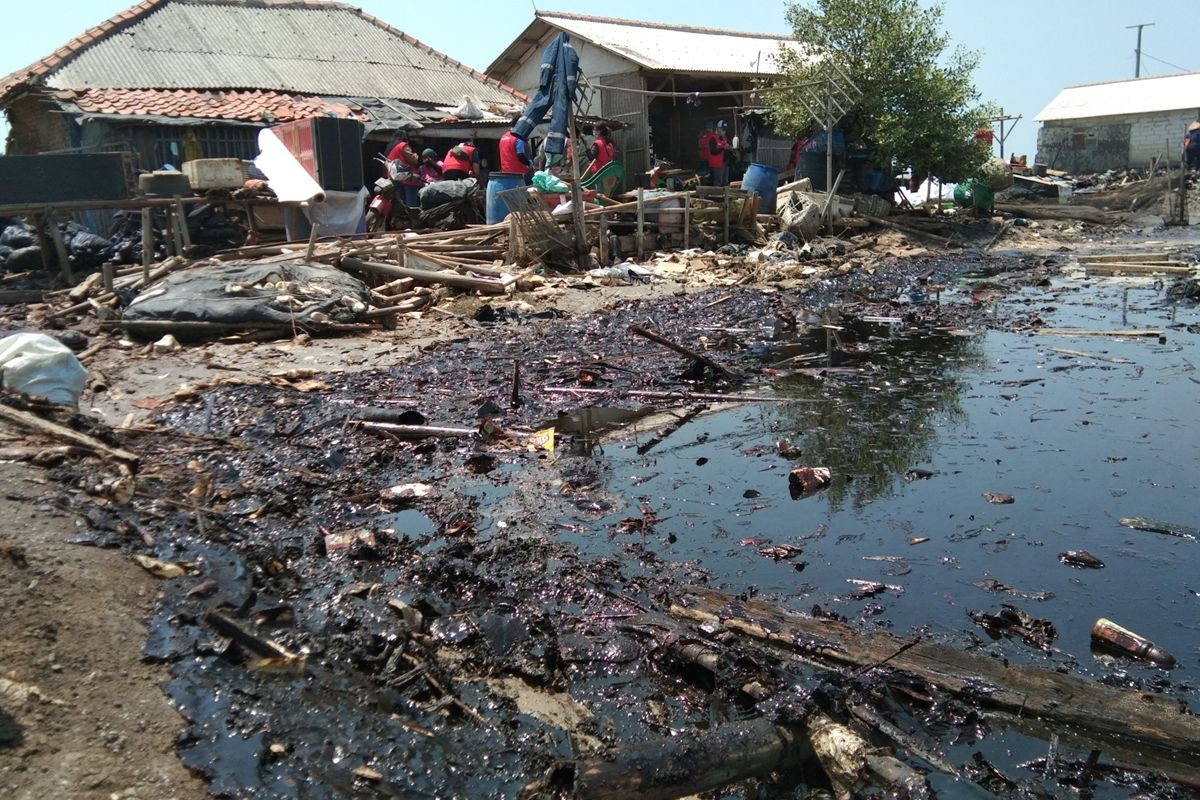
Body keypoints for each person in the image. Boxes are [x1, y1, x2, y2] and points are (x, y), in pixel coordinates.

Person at [384, 130, 422, 207]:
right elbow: (413, 160)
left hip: (396, 179)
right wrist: (416, 156)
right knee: (411, 205)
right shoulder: (403, 145)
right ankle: (411, 218)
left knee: (402, 205)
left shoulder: (390, 148)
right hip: (408, 178)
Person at [706, 120, 733, 186]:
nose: (724, 131)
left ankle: (724, 196)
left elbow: (726, 146)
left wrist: (730, 148)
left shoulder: (724, 137)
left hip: (725, 163)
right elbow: (713, 151)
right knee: (718, 181)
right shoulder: (712, 138)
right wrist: (723, 148)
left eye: (725, 130)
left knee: (725, 181)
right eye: (723, 129)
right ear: (718, 128)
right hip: (717, 164)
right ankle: (716, 195)